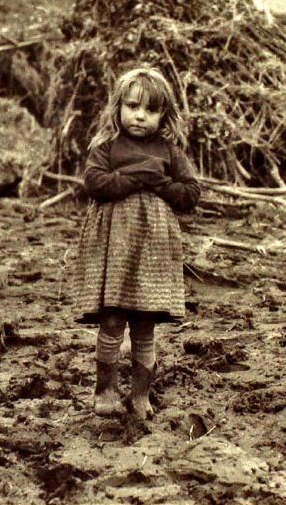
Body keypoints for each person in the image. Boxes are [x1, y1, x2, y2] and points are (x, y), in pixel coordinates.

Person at [73, 66, 201, 419]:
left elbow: (190, 193)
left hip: (154, 250)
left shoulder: (169, 150)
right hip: (113, 247)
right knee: (113, 321)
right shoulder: (107, 146)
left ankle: (140, 395)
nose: (140, 116)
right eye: (132, 106)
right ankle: (106, 390)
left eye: (150, 110)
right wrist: (135, 178)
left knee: (145, 324)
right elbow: (95, 183)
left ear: (163, 115)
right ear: (118, 107)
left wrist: (157, 184)